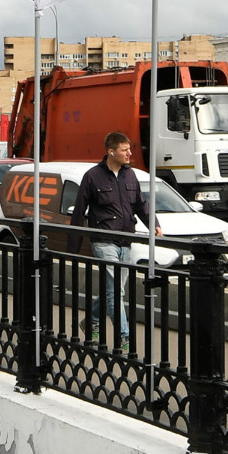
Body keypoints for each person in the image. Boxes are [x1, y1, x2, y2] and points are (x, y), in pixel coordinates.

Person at [69, 132, 150, 346]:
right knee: (116, 292)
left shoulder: (130, 175)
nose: (130, 153)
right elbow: (79, 211)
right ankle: (124, 337)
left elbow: (141, 204)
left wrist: (155, 225)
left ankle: (92, 321)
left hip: (125, 240)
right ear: (111, 152)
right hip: (103, 239)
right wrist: (73, 246)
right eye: (125, 150)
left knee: (113, 291)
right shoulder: (92, 176)